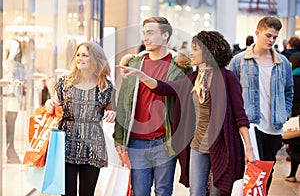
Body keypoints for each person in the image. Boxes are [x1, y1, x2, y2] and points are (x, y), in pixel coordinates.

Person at [117, 30, 256, 195]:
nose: (191, 53)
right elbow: (165, 88)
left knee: (216, 193)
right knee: (196, 192)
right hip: (197, 146)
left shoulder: (228, 78)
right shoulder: (193, 78)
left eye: (196, 49)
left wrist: (249, 148)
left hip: (222, 146)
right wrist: (140, 75)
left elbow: (240, 117)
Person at [113, 16, 192, 196]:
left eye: (150, 33)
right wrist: (119, 137)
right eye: (144, 34)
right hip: (137, 141)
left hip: (165, 140)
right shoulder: (134, 63)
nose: (145, 38)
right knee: (140, 192)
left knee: (163, 191)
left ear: (165, 36)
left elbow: (183, 98)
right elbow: (124, 102)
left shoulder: (179, 65)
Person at [229, 16, 294, 193]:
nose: (271, 40)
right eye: (268, 35)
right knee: (253, 167)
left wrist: (285, 112)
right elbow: (230, 92)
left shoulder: (283, 63)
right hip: (250, 124)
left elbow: (289, 91)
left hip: (274, 126)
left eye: (275, 37)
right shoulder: (239, 61)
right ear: (257, 33)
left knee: (268, 170)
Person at [45, 41, 116, 196]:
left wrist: (112, 114)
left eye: (85, 55)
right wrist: (48, 103)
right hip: (66, 143)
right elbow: (54, 105)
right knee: (67, 192)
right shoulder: (65, 83)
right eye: (78, 55)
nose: (80, 58)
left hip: (93, 144)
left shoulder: (105, 86)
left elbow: (112, 111)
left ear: (95, 59)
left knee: (87, 193)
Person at [2, 36, 26, 163]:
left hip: (13, 94)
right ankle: (10, 150)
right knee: (10, 121)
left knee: (11, 121)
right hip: (12, 94)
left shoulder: (13, 64)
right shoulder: (13, 64)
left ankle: (11, 149)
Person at [284, 52, 300, 183]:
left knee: (295, 147)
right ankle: (292, 174)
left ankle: (292, 174)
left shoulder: (292, 79)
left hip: (294, 119)